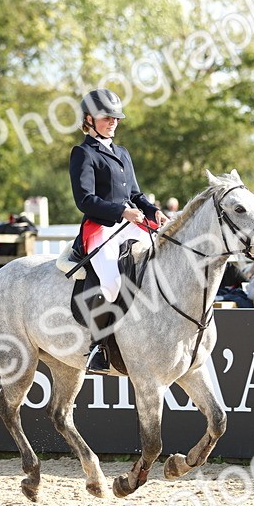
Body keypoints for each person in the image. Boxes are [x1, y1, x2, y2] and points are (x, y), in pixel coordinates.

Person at [69, 87, 167, 374]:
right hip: (101, 226)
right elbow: (84, 200)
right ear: (88, 119)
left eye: (115, 118)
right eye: (105, 117)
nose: (112, 122)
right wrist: (121, 211)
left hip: (131, 222)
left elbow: (135, 194)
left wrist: (153, 211)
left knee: (163, 259)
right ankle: (99, 346)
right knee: (111, 282)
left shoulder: (122, 153)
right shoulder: (83, 153)